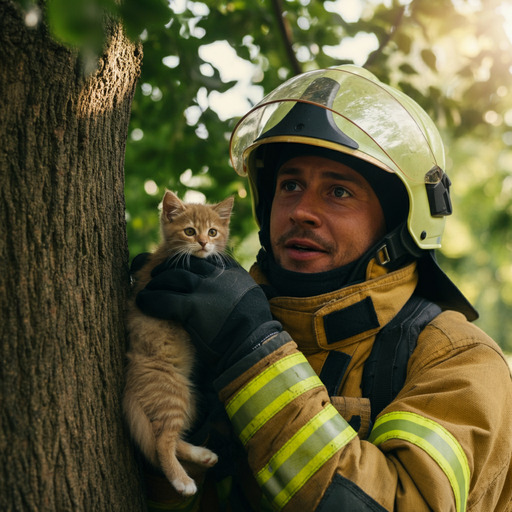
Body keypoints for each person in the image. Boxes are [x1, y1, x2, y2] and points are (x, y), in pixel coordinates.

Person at [135, 65, 512, 511]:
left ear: (398, 223)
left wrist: (252, 350)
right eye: (290, 185)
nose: (302, 212)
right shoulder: (217, 325)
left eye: (339, 192)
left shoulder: (460, 360)